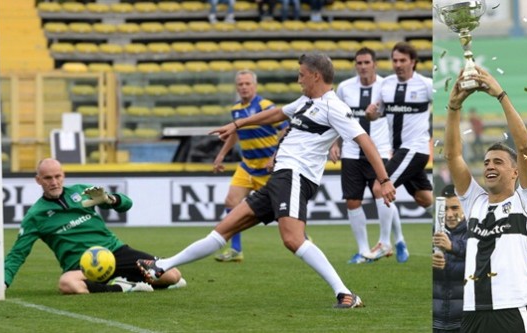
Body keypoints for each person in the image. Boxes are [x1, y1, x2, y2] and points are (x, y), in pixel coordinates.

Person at [137, 53, 396, 308]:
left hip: (295, 176)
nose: (298, 80)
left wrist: (384, 180)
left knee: (293, 239)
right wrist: (237, 125)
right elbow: (275, 115)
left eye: (302, 75)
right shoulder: (306, 101)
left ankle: (345, 294)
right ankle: (162, 265)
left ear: (316, 76)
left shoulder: (335, 107)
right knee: (223, 230)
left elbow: (366, 142)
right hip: (279, 179)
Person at [444, 66, 527, 332]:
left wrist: (500, 96)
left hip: (512, 310)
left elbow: (524, 148)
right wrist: (453, 109)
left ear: (514, 172)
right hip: (473, 312)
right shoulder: (474, 201)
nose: (489, 166)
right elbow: (453, 156)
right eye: (487, 162)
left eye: (498, 162)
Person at [4, 158, 186, 294]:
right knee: (67, 283)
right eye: (48, 178)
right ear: (38, 180)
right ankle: (122, 287)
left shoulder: (81, 192)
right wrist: (2, 283)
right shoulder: (36, 215)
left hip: (114, 252)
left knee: (172, 275)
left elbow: (127, 205)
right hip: (82, 266)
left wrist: (111, 199)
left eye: (58, 176)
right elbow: (18, 253)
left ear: (63, 175)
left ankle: (127, 279)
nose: (54, 182)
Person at [330, 47, 408, 264]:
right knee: (353, 201)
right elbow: (337, 119)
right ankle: (364, 251)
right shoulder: (345, 88)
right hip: (352, 152)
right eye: (359, 63)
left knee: (380, 190)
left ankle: (388, 241)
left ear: (375, 64)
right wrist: (334, 144)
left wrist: (396, 145)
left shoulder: (386, 86)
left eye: (367, 62)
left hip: (380, 149)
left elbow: (397, 116)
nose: (363, 67)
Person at [363, 41, 433, 261]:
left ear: (413, 62)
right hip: (401, 151)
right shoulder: (386, 85)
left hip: (415, 148)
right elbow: (376, 114)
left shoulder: (426, 85)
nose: (398, 64)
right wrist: (371, 113)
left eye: (403, 60)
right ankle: (458, 225)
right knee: (424, 199)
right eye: (395, 60)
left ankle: (385, 243)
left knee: (379, 185)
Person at [212, 70, 288, 262]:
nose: (244, 87)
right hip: (247, 166)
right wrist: (221, 155)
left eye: (247, 84)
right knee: (231, 202)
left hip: (267, 169)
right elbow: (235, 133)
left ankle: (301, 237)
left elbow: (286, 128)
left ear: (255, 85)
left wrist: (276, 154)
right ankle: (236, 250)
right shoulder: (236, 109)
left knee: (282, 211)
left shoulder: (265, 106)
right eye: (240, 84)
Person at [432, 184, 468, 333]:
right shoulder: (432, 232)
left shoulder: (475, 232)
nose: (449, 214)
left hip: (464, 322)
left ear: (464, 208)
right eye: (445, 209)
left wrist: (452, 246)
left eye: (454, 208)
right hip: (435, 321)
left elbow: (479, 264)